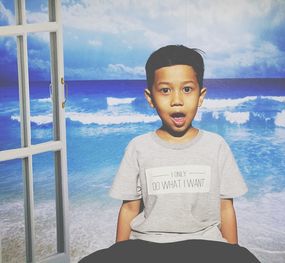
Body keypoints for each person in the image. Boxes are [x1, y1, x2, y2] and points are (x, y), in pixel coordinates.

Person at [79, 45, 260, 262]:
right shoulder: (139, 147)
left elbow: (226, 207)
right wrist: (120, 253)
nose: (177, 100)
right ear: (150, 98)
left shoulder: (216, 146)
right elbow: (129, 208)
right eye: (165, 90)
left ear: (201, 96)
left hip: (206, 245)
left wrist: (232, 252)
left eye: (187, 89)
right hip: (148, 246)